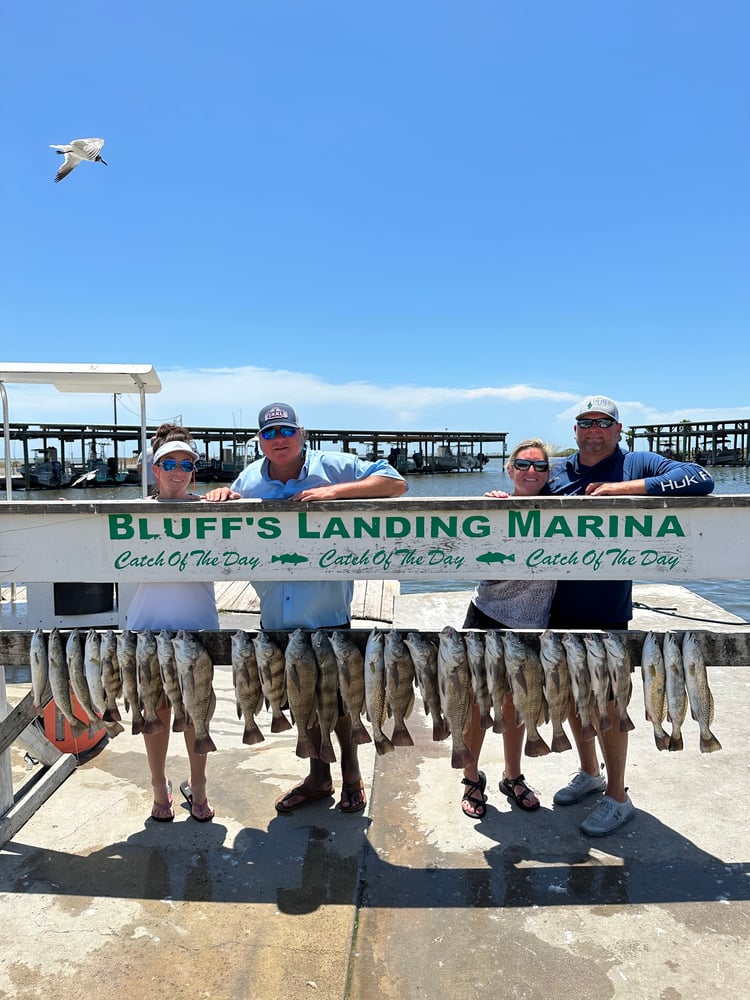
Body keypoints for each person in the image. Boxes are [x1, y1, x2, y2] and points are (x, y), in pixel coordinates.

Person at [205, 402, 408, 814]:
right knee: (302, 701)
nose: (278, 440)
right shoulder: (249, 478)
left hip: (328, 614)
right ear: (259, 440)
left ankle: (352, 775)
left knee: (343, 703)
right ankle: (319, 777)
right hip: (276, 614)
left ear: (301, 433)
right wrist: (224, 495)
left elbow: (394, 482)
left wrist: (335, 492)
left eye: (286, 431)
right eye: (269, 434)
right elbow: (230, 514)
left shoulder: (334, 465)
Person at [547, 394, 715, 836]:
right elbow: (521, 496)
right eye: (585, 423)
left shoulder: (637, 462)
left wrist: (625, 489)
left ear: (618, 430)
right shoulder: (559, 470)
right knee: (569, 696)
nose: (594, 430)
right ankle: (590, 773)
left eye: (604, 422)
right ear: (576, 431)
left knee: (608, 704)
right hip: (553, 606)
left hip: (607, 608)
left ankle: (618, 796)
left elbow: (701, 478)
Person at [126, 427, 219, 823]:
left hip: (197, 628)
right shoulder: (133, 510)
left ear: (193, 472)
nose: (178, 470)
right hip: (147, 625)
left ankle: (198, 789)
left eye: (186, 464)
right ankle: (159, 787)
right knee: (156, 713)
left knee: (197, 714)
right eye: (169, 463)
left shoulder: (215, 509)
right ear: (155, 468)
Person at [460, 439, 556, 819]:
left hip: (534, 623)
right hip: (487, 613)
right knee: (474, 702)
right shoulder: (492, 508)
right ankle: (470, 777)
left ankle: (513, 775)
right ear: (509, 469)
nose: (531, 472)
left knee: (516, 705)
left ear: (550, 472)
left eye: (539, 466)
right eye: (522, 464)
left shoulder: (565, 508)